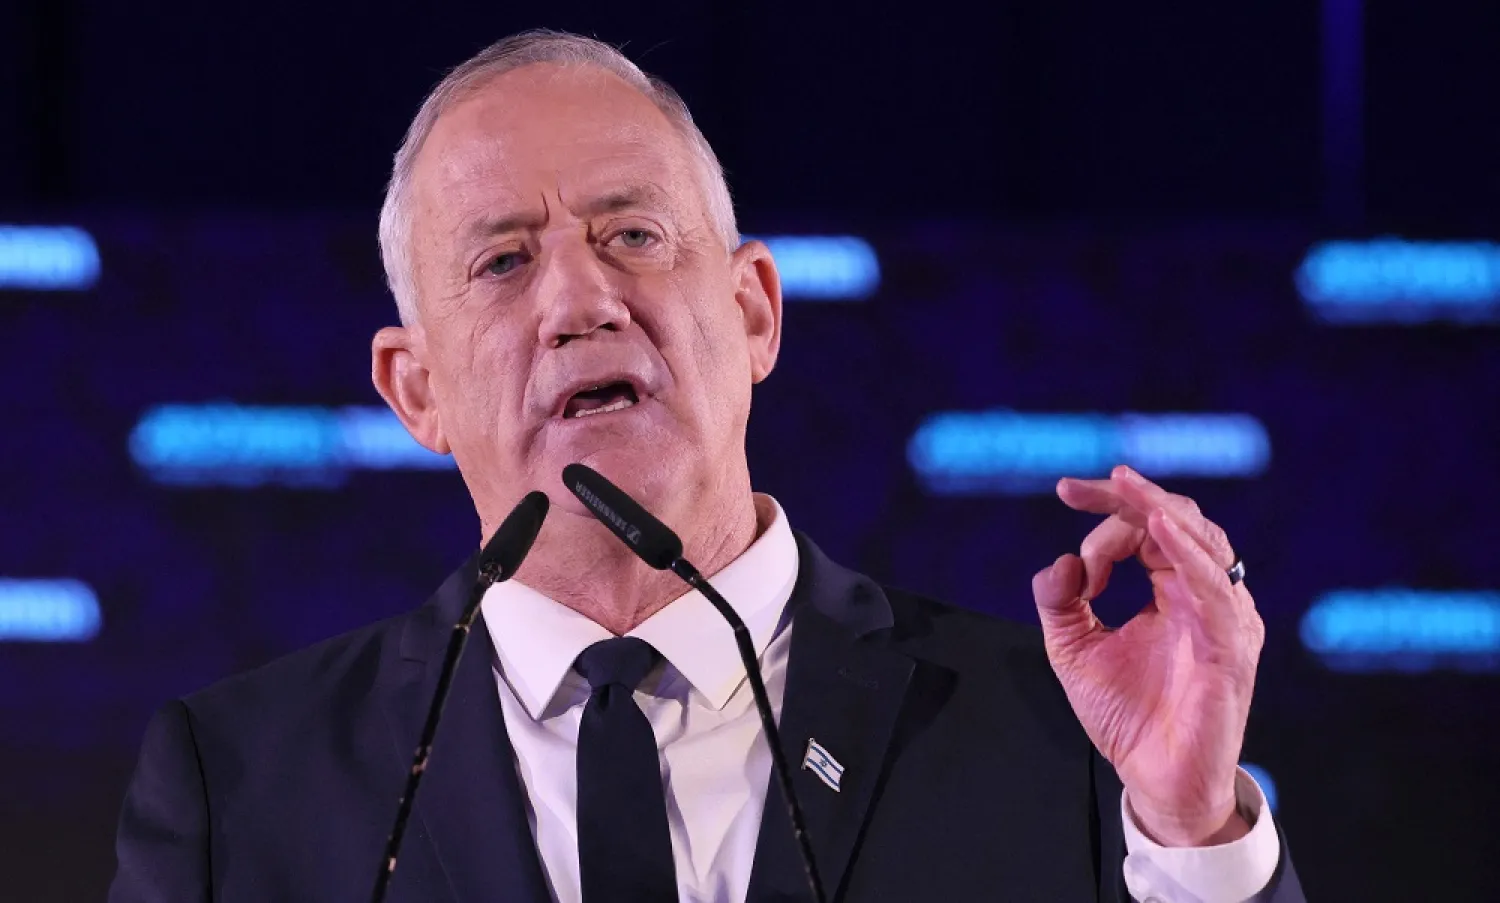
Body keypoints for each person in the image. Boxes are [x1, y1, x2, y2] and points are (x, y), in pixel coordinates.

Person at [109, 29, 1304, 903]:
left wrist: (1194, 833)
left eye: (633, 235)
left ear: (755, 315)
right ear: (415, 390)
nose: (580, 299)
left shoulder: (1061, 736)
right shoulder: (242, 786)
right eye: (503, 264)